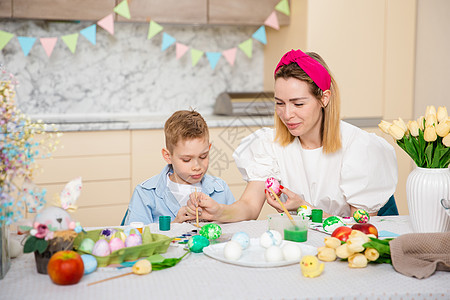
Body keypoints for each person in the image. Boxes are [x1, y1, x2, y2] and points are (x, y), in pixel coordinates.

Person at [187, 49, 398, 222]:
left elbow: (361, 228)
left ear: (324, 98)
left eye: (298, 104)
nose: (287, 115)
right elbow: (249, 207)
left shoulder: (358, 147)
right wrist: (219, 212)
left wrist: (304, 208)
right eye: (280, 103)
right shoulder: (270, 145)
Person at [124, 110, 236, 224]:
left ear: (209, 148)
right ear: (168, 156)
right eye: (186, 160)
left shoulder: (220, 190)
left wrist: (220, 216)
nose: (197, 167)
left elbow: (239, 227)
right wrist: (173, 225)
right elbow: (135, 237)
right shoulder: (146, 194)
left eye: (203, 156)